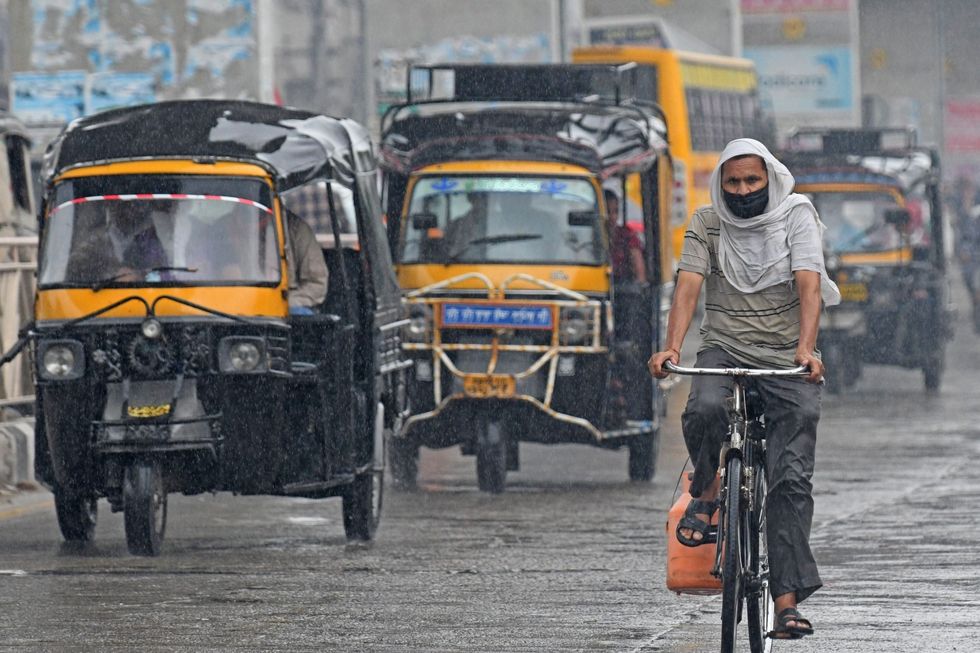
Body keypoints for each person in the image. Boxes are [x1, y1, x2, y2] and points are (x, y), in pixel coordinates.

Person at [648, 138, 840, 640]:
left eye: (752, 181)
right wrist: (671, 348)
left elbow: (809, 284)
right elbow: (688, 286)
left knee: (789, 483)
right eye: (732, 182)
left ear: (769, 179)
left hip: (786, 359)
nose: (742, 190)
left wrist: (805, 350)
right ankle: (709, 485)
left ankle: (786, 602)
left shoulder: (796, 215)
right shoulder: (706, 223)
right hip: (724, 350)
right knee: (703, 408)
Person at [286, 213, 328, 315]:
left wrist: (283, 303)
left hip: (288, 307)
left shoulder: (295, 227)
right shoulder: (240, 224)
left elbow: (317, 284)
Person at [604, 189, 647, 282]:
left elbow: (638, 264)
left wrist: (639, 287)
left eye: (615, 211)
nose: (612, 216)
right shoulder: (591, 234)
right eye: (608, 211)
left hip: (622, 287)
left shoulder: (626, 235)